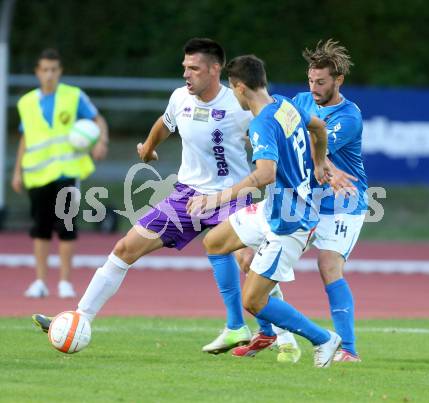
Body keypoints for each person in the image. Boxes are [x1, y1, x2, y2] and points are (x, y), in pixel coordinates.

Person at [32, 38, 253, 351]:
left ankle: (278, 337)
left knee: (248, 259)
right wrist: (149, 148)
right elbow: (165, 123)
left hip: (231, 196)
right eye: (184, 67)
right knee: (125, 248)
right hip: (187, 196)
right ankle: (80, 317)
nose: (186, 74)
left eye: (194, 68)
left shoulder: (238, 106)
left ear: (215, 69)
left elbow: (274, 132)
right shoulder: (180, 98)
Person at [187, 54, 341, 367]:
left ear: (240, 87)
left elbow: (265, 175)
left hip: (290, 221)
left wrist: (214, 200)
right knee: (215, 242)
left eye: (233, 89)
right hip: (275, 207)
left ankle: (323, 339)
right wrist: (320, 160)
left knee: (254, 300)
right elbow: (319, 127)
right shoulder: (284, 104)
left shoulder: (261, 124)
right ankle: (238, 328)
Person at [236, 39, 368, 362]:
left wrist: (326, 165)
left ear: (339, 81)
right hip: (303, 202)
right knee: (243, 253)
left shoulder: (349, 116)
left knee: (328, 266)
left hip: (343, 203)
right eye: (310, 80)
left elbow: (311, 147)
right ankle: (268, 331)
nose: (314, 87)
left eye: (321, 82)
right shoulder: (299, 101)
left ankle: (347, 349)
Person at [12, 48, 109, 299]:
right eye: (44, 70)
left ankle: (65, 282)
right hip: (37, 174)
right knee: (40, 227)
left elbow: (98, 120)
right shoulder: (26, 102)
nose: (49, 75)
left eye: (53, 70)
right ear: (37, 72)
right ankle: (40, 281)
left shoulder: (73, 96)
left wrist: (101, 142)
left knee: (66, 225)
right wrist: (16, 171)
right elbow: (25, 137)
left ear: (60, 71)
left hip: (67, 171)